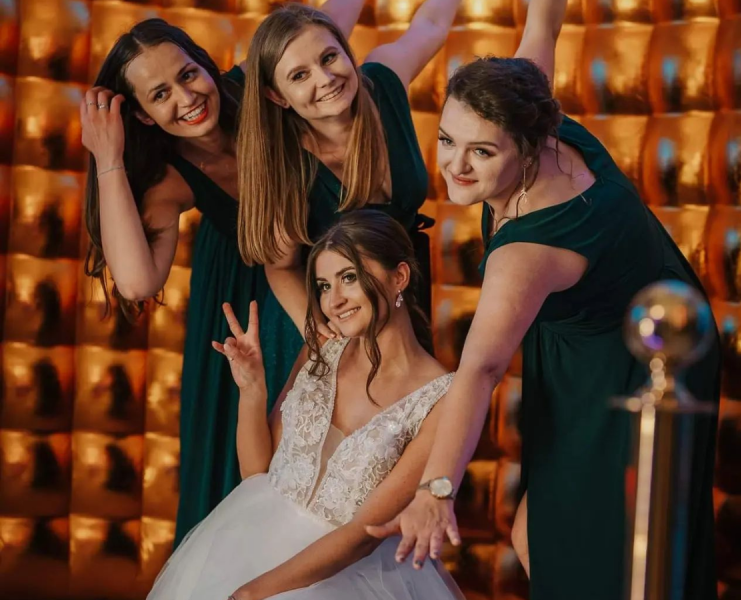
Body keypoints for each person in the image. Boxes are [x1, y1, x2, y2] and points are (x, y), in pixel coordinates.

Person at [367, 1, 721, 598]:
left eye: (482, 152)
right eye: (448, 140)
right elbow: (543, 23)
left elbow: (480, 370)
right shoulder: (527, 103)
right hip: (613, 327)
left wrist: (435, 490)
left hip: (646, 356)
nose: (455, 166)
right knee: (543, 536)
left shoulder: (524, 257)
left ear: (529, 149)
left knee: (593, 548)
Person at [79, 1, 365, 546]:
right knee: (264, 463)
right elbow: (137, 283)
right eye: (160, 94)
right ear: (143, 115)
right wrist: (108, 156)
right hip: (255, 301)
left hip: (334, 271)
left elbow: (327, 22)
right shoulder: (170, 179)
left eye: (188, 75)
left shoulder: (257, 83)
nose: (186, 98)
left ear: (207, 67)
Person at [146, 210, 461, 600]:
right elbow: (257, 474)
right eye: (324, 285)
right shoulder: (321, 348)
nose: (334, 301)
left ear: (399, 276)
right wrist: (252, 389)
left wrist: (253, 593)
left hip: (342, 577)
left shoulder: (442, 397)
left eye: (349, 277)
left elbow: (364, 535)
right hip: (248, 544)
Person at [236, 0, 458, 353]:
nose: (325, 79)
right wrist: (321, 335)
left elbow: (431, 25)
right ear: (276, 96)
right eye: (299, 75)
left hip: (402, 290)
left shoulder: (383, 79)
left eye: (329, 57)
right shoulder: (285, 163)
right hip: (331, 314)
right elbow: (281, 268)